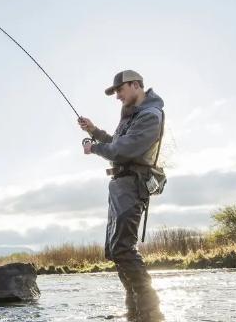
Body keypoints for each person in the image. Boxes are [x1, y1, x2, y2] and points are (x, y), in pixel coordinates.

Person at [78, 70, 165, 322]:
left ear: (136, 85)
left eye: (120, 90)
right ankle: (135, 311)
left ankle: (151, 313)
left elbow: (123, 150)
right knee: (116, 250)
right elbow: (116, 142)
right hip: (120, 187)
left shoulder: (150, 115)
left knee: (124, 249)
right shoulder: (132, 116)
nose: (117, 96)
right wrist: (94, 131)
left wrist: (93, 148)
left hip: (131, 185)